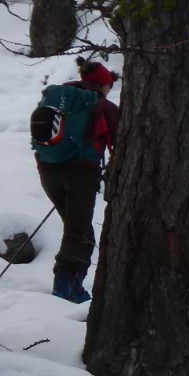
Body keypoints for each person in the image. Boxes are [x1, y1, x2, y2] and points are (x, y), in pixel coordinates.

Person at [36, 58, 118, 303]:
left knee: (79, 230)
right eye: (109, 86)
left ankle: (74, 285)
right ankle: (65, 286)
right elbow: (120, 144)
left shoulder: (59, 99)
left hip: (48, 171)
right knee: (78, 231)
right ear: (103, 84)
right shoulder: (103, 106)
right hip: (81, 173)